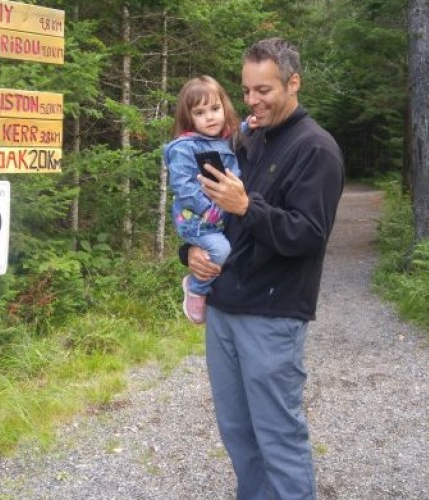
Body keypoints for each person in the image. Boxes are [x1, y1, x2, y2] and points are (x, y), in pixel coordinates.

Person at [183, 38, 344, 499]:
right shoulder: (246, 139)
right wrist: (190, 254)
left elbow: (308, 235)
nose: (252, 100)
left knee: (278, 436)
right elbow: (213, 217)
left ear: (293, 83)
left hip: (273, 315)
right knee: (238, 432)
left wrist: (247, 205)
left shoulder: (317, 149)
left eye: (264, 90)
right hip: (225, 305)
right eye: (247, 90)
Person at [163, 76, 248, 324]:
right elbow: (182, 186)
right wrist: (207, 209)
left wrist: (249, 125)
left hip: (218, 218)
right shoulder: (184, 148)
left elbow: (237, 133)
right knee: (221, 250)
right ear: (189, 117)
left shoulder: (223, 139)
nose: (210, 117)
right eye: (200, 112)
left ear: (224, 107)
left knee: (225, 248)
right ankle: (196, 288)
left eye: (214, 108)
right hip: (198, 220)